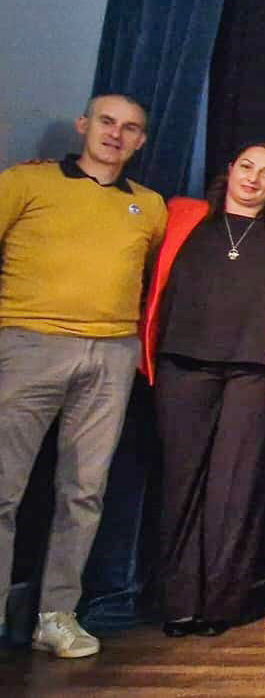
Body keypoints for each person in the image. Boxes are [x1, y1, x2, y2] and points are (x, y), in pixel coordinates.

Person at [0, 94, 166, 658]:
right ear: (83, 125)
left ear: (141, 141)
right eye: (107, 122)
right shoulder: (26, 183)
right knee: (4, 488)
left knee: (84, 491)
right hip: (29, 344)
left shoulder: (149, 205)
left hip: (112, 353)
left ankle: (56, 615)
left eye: (130, 128)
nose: (116, 134)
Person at [140, 142, 265, 637]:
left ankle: (220, 604)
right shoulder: (180, 215)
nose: (254, 179)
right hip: (182, 365)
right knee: (180, 483)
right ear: (229, 170)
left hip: (251, 375)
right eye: (247, 167)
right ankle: (178, 603)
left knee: (235, 489)